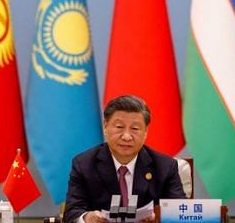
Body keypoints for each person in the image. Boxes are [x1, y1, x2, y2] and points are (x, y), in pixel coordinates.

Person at [64, 95, 185, 223]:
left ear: (145, 132)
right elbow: (72, 212)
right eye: (119, 127)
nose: (127, 136)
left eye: (135, 129)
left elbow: (180, 212)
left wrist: (160, 219)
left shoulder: (165, 166)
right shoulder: (84, 164)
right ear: (105, 127)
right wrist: (87, 218)